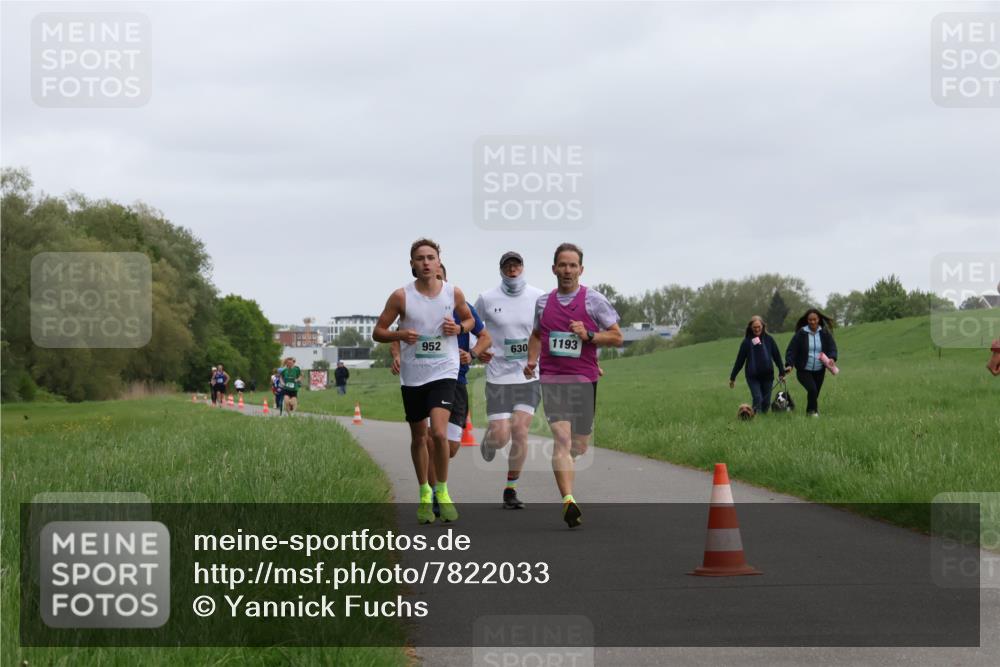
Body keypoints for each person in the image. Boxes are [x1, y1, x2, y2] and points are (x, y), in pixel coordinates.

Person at [373, 239, 475, 524]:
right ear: (412, 264)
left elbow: (468, 321)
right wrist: (400, 336)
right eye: (420, 258)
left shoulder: (452, 292)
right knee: (419, 437)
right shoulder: (401, 297)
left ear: (439, 261)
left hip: (444, 369)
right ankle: (423, 493)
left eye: (431, 257)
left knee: (439, 434)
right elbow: (378, 332)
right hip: (413, 374)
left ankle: (442, 491)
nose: (426, 262)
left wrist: (459, 327)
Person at [525, 243, 622, 528]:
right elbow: (536, 334)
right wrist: (532, 360)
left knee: (579, 444)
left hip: (584, 378)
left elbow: (616, 337)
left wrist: (589, 334)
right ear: (553, 268)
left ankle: (571, 461)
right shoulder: (543, 303)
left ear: (581, 269)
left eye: (572, 265)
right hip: (553, 377)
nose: (567, 270)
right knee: (562, 440)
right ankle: (568, 499)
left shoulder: (593, 301)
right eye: (562, 265)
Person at [392, 264, 490, 516]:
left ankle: (435, 487)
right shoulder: (413, 302)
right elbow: (394, 333)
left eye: (439, 277)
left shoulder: (459, 304)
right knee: (434, 437)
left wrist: (472, 353)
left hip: (456, 381)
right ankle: (434, 493)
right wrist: (397, 355)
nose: (434, 282)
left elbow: (485, 336)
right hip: (423, 377)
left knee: (450, 445)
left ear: (444, 279)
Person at [476, 251, 545, 510]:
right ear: (501, 270)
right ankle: (491, 438)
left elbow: (547, 330)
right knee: (502, 436)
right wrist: (478, 349)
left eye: (516, 266)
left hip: (528, 375)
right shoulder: (486, 298)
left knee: (520, 430)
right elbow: (473, 326)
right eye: (508, 267)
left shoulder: (538, 297)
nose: (513, 270)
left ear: (523, 268)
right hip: (498, 376)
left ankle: (511, 489)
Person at [784, 308, 838, 417]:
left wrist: (832, 357)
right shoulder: (801, 334)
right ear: (807, 320)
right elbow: (792, 350)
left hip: (819, 369)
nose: (812, 322)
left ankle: (811, 412)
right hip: (804, 370)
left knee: (815, 393)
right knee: (812, 390)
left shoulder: (824, 333)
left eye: (814, 319)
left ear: (818, 319)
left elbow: (832, 347)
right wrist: (789, 364)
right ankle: (812, 412)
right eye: (810, 320)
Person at [729, 316, 786, 414]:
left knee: (766, 402)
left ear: (763, 326)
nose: (757, 329)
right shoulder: (746, 342)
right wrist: (733, 377)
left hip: (768, 376)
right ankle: (755, 418)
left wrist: (782, 373)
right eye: (754, 327)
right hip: (753, 376)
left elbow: (777, 357)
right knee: (757, 398)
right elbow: (739, 361)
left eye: (759, 326)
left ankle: (762, 419)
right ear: (750, 327)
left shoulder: (769, 340)